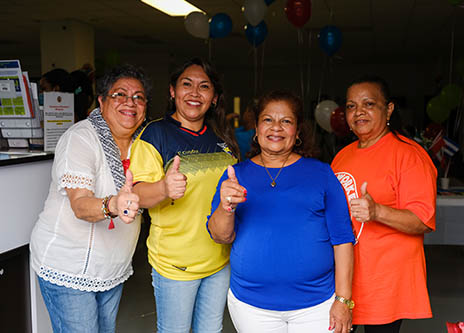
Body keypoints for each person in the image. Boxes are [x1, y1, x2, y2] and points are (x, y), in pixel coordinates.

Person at [208, 90, 355, 333]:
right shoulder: (236, 175)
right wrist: (226, 207)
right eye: (268, 119)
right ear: (256, 128)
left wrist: (343, 300)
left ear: (297, 132)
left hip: (317, 306)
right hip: (252, 306)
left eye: (286, 121)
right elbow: (220, 236)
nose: (276, 127)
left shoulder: (322, 174)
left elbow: (342, 240)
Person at [30, 64, 151, 332]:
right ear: (102, 100)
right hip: (70, 267)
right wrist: (114, 204)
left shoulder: (143, 144)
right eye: (120, 94)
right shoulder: (81, 138)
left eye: (138, 97)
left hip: (112, 268)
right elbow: (81, 205)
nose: (130, 103)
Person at [129, 57, 239, 333]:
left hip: (219, 258)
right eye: (186, 84)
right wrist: (164, 188)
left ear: (214, 98)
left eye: (204, 86)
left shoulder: (221, 136)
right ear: (172, 91)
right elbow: (138, 195)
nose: (194, 93)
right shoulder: (155, 134)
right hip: (175, 262)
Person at [331, 75, 437, 332]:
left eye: (368, 104)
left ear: (388, 109)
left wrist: (377, 211)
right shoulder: (342, 156)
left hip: (385, 282)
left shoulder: (409, 155)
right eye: (351, 106)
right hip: (345, 278)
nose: (358, 112)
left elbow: (422, 220)